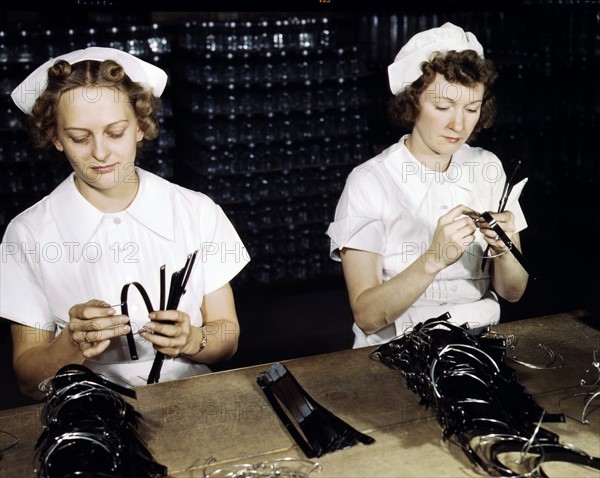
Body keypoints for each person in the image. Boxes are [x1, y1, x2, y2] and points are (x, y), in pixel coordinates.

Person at [1, 47, 250, 396]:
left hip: (191, 399)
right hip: (86, 411)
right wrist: (68, 345)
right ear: (56, 138)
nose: (100, 153)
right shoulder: (26, 234)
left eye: (115, 132)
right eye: (79, 137)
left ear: (141, 126)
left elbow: (227, 334)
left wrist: (194, 338)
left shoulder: (197, 211)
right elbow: (29, 379)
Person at [326, 23, 529, 347]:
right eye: (443, 107)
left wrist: (504, 248)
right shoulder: (370, 182)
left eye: (471, 108)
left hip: (479, 344)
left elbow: (513, 292)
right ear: (412, 102)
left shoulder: (487, 167)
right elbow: (366, 315)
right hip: (396, 350)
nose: (458, 124)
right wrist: (434, 258)